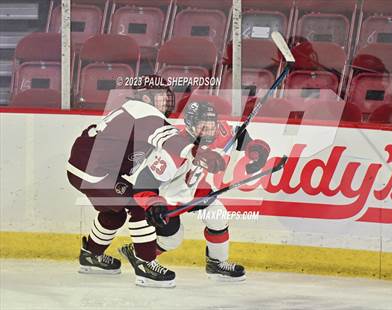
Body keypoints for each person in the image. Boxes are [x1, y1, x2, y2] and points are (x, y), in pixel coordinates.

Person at [66, 76, 222, 287]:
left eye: (167, 98)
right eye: (161, 97)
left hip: (87, 168)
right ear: (146, 97)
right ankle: (145, 265)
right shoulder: (143, 111)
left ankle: (91, 256)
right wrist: (198, 152)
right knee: (139, 205)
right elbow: (168, 138)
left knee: (114, 212)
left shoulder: (134, 110)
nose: (166, 102)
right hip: (95, 171)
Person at [119, 100, 270, 282]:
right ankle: (136, 252)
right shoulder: (174, 149)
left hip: (194, 189)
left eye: (211, 124)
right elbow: (144, 183)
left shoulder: (219, 131)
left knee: (218, 214)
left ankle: (217, 264)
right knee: (172, 240)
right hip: (168, 198)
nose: (209, 129)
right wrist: (153, 204)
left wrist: (257, 153)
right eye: (203, 125)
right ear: (190, 126)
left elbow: (241, 136)